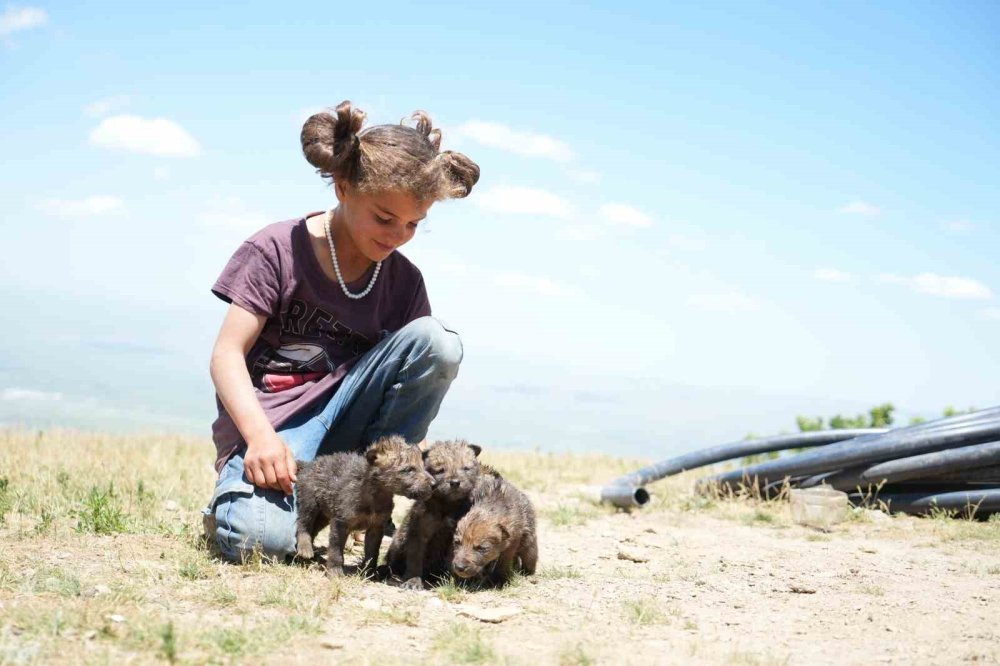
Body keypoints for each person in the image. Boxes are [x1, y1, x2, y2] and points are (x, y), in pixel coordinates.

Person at [202, 100, 480, 562]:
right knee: (261, 543)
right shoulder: (276, 248)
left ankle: (370, 501)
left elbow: (408, 383)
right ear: (343, 186)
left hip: (355, 443)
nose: (398, 235)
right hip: (276, 431)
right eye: (385, 218)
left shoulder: (404, 281)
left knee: (438, 341)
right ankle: (233, 505)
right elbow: (226, 355)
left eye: (414, 223)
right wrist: (258, 438)